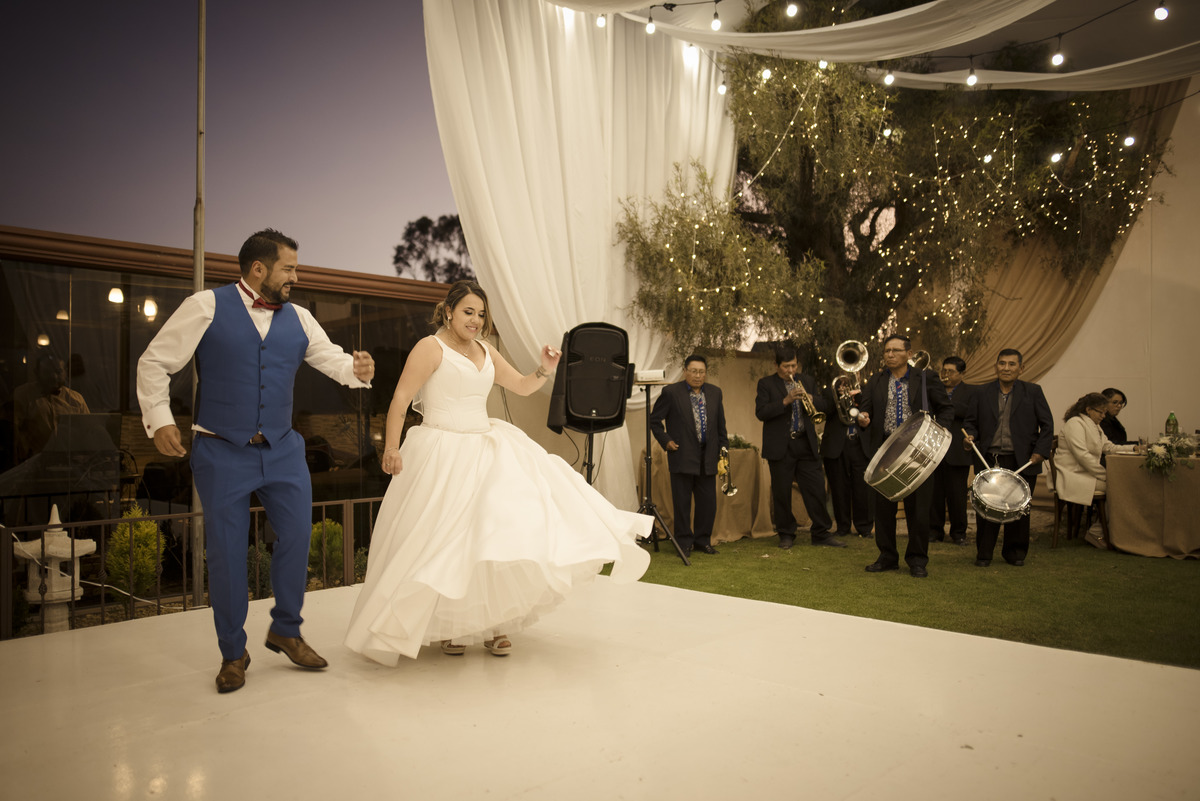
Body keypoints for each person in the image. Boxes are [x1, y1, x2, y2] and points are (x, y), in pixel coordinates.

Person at [345, 281, 650, 664]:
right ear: (449, 311)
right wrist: (391, 447)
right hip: (441, 449)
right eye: (469, 312)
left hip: (486, 445)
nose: (476, 320)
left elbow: (522, 386)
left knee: (496, 533)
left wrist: (545, 369)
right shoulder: (430, 348)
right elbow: (401, 399)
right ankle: (451, 627)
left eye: (482, 314)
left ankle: (493, 625)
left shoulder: (486, 351)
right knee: (447, 540)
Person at [137, 229, 376, 693]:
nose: (295, 277)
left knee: (297, 534)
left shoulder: (301, 318)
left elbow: (330, 360)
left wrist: (356, 370)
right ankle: (233, 653)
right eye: (289, 268)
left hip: (284, 449)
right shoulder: (205, 306)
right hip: (221, 449)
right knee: (225, 554)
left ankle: (285, 628)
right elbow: (154, 363)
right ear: (258, 269)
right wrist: (160, 418)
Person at [856, 334, 953, 578]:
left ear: (908, 354)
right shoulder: (876, 380)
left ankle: (917, 560)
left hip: (919, 451)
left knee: (919, 510)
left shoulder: (925, 378)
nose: (890, 354)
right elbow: (865, 409)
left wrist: (936, 435)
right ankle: (887, 556)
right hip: (885, 451)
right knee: (884, 509)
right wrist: (863, 418)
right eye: (887, 350)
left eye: (896, 350)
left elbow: (946, 409)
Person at [963, 348, 1054, 568]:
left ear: (1021, 368)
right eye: (1002, 363)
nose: (1006, 368)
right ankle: (984, 554)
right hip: (990, 459)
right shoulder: (981, 392)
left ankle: (1015, 553)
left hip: (1023, 460)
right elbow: (969, 422)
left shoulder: (1033, 392)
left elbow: (1047, 425)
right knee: (987, 508)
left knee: (1019, 509)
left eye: (1012, 364)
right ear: (996, 366)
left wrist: (1040, 452)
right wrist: (970, 436)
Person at [756, 345, 843, 549]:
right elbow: (761, 412)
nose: (791, 370)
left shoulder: (808, 381)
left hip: (806, 443)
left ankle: (821, 532)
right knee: (782, 491)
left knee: (816, 489)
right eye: (786, 366)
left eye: (793, 365)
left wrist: (812, 399)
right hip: (781, 446)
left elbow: (825, 405)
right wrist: (785, 400)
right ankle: (786, 533)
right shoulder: (766, 384)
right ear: (776, 365)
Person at [649, 353, 728, 556]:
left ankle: (703, 541)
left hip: (708, 457)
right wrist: (666, 441)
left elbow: (721, 426)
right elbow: (655, 421)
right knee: (682, 504)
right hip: (682, 455)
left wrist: (723, 450)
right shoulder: (671, 393)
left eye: (702, 372)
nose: (698, 376)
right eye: (693, 371)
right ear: (685, 371)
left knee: (708, 504)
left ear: (705, 374)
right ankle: (683, 542)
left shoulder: (715, 393)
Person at [1055, 392, 1138, 544]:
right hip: (1072, 476)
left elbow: (1109, 447)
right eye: (1100, 412)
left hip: (1085, 474)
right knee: (1119, 487)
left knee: (1121, 486)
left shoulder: (1095, 427)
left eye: (1105, 412)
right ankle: (1098, 532)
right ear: (1088, 409)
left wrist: (1135, 448)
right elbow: (1082, 456)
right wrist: (1105, 474)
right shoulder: (1075, 424)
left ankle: (1109, 531)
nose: (1103, 416)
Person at [929, 356, 975, 545]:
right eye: (944, 371)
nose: (946, 375)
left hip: (957, 451)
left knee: (957, 496)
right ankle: (934, 531)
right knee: (935, 495)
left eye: (951, 371)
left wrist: (944, 404)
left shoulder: (971, 392)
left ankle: (958, 533)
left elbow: (969, 412)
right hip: (935, 449)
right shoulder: (934, 390)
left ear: (961, 374)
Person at [12, 354, 90, 463]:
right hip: (32, 463)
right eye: (47, 372)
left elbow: (88, 432)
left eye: (58, 372)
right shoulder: (23, 395)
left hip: (68, 463)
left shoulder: (76, 399)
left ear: (66, 372)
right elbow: (12, 432)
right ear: (37, 373)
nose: (53, 376)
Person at [820, 384, 874, 540]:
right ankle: (842, 526)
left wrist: (857, 397)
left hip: (860, 443)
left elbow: (871, 412)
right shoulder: (829, 391)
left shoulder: (866, 390)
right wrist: (837, 395)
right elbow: (826, 410)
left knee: (862, 488)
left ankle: (864, 527)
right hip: (838, 445)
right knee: (838, 487)